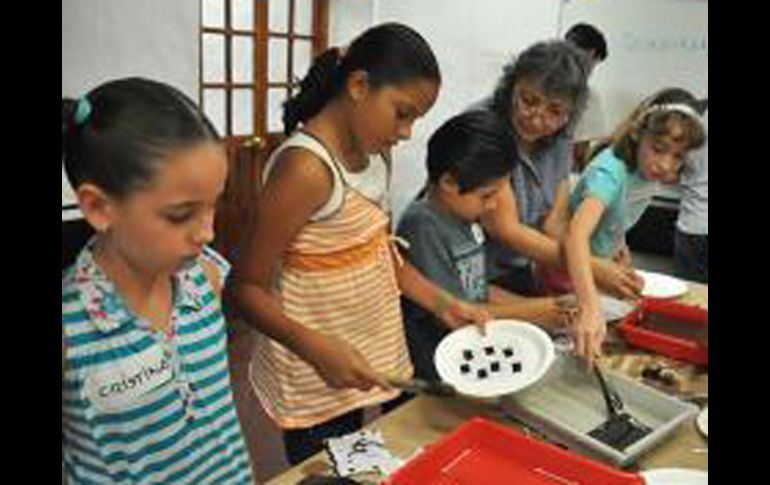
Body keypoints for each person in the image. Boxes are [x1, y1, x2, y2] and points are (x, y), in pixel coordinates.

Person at [229, 23, 489, 465]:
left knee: (384, 456)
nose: (406, 132)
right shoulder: (306, 169)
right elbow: (244, 290)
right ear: (359, 86)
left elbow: (379, 253)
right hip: (314, 368)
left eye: (415, 119)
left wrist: (442, 303)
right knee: (326, 467)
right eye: (402, 113)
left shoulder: (377, 154)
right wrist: (316, 349)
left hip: (370, 344)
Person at [62, 78, 254, 484]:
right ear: (98, 207)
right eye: (180, 215)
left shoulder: (206, 276)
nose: (207, 233)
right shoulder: (70, 329)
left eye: (213, 206)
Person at [397, 110, 576, 380]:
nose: (494, 205)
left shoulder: (464, 215)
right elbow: (455, 313)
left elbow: (477, 289)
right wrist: (540, 311)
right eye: (487, 195)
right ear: (449, 182)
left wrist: (546, 308)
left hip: (477, 338)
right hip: (441, 357)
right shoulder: (423, 225)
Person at [470, 40, 643, 300]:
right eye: (529, 101)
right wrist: (592, 267)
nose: (537, 118)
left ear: (570, 112)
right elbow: (506, 229)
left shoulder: (561, 135)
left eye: (555, 111)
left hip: (518, 265)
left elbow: (555, 221)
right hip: (469, 267)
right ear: (511, 86)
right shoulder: (485, 128)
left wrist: (594, 256)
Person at [564, 87, 707, 361]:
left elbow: (617, 217)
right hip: (569, 272)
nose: (666, 165)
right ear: (638, 135)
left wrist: (621, 249)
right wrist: (589, 304)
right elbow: (575, 236)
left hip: (597, 267)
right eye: (659, 149)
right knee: (581, 344)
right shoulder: (609, 174)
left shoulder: (646, 172)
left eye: (678, 156)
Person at [564, 23, 610, 171]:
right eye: (595, 64)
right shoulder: (587, 96)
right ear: (592, 54)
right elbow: (581, 152)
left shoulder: (536, 81)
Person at [674, 100, 708, 283]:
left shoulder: (692, 117)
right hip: (695, 226)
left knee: (692, 293)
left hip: (693, 224)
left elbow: (671, 172)